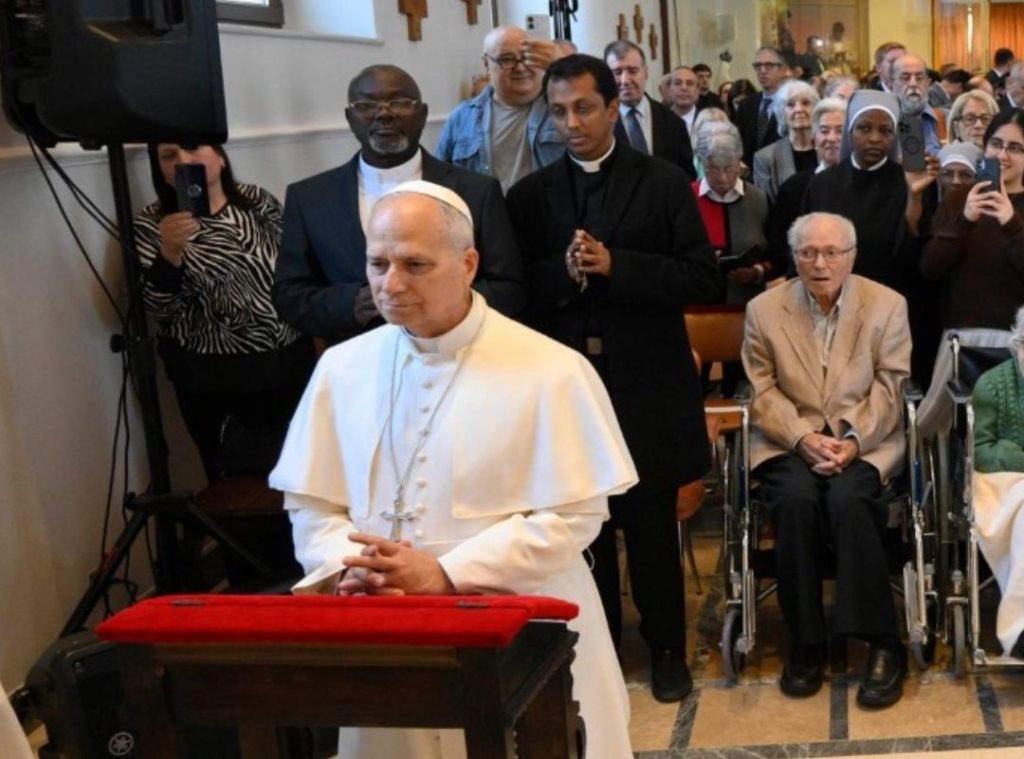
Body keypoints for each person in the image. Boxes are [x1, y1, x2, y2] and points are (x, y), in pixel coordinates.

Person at [270, 180, 637, 758]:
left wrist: (444, 575)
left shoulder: (550, 369)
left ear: (468, 264)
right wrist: (361, 568)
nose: (390, 284)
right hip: (386, 627)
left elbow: (573, 515)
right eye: (377, 263)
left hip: (519, 622)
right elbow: (311, 504)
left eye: (415, 264)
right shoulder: (341, 369)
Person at [506, 53, 720, 703]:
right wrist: (566, 273)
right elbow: (514, 292)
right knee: (582, 524)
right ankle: (593, 646)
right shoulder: (530, 195)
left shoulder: (662, 182)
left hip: (645, 379)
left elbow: (701, 279)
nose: (572, 123)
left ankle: (665, 648)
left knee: (651, 520)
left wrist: (615, 265)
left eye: (584, 108)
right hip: (568, 381)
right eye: (560, 110)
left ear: (611, 107)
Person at [743, 211, 912, 707]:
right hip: (785, 439)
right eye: (808, 253)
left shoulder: (887, 305)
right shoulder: (764, 309)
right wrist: (800, 437)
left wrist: (853, 441)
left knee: (849, 498)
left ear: (851, 257)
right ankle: (807, 641)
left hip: (865, 439)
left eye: (832, 252)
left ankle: (883, 641)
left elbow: (892, 385)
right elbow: (760, 388)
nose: (820, 262)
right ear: (794, 257)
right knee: (794, 500)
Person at [273, 65, 526, 344]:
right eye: (367, 104)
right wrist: (350, 303)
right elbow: (289, 297)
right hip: (359, 361)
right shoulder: (310, 198)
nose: (384, 114)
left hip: (458, 355)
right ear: (349, 117)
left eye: (400, 103)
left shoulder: (476, 191)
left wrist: (438, 303)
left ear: (423, 114)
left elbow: (509, 288)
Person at [134, 143, 315, 481]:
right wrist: (170, 252)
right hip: (216, 377)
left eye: (192, 148)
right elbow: (160, 309)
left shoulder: (257, 201)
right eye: (169, 156)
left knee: (301, 468)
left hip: (290, 362)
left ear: (220, 155)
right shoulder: (153, 224)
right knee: (236, 477)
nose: (183, 161)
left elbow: (296, 267)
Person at [921, 108, 1024, 330]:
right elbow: (931, 268)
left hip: (1017, 341)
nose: (1002, 155)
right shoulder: (959, 198)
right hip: (962, 338)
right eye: (996, 144)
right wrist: (965, 220)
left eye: (1015, 148)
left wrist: (1012, 224)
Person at [436, 26, 563, 193]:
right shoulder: (462, 118)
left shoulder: (562, 109)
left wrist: (564, 64)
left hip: (548, 216)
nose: (520, 67)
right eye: (507, 59)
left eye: (526, 57)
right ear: (486, 64)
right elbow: (439, 181)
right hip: (485, 217)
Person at [971, 305, 1024, 659]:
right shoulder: (992, 385)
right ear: (1018, 345)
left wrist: (1011, 448)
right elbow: (981, 452)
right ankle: (1020, 629)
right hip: (1001, 485)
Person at [693, 122, 773, 302]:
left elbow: (775, 253)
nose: (722, 178)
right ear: (702, 163)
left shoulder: (759, 199)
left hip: (747, 303)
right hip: (699, 305)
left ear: (740, 162)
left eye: (729, 169)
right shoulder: (688, 198)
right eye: (713, 169)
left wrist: (757, 272)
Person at [765, 96, 847, 272]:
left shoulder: (865, 185)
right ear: (815, 139)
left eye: (840, 131)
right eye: (824, 131)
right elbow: (778, 246)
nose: (832, 138)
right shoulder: (793, 187)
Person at [605, 40, 696, 180]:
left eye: (632, 71)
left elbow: (686, 177)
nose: (625, 80)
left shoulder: (673, 123)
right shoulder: (600, 125)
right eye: (617, 72)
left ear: (646, 72)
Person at [753, 78, 820, 201]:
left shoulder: (828, 150)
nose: (799, 109)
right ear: (781, 112)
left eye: (805, 103)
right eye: (791, 104)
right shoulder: (765, 158)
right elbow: (766, 207)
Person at [735, 47, 790, 167]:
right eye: (758, 66)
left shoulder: (792, 103)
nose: (763, 71)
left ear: (782, 70)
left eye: (768, 65)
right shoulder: (746, 105)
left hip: (781, 172)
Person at [892, 54, 943, 153]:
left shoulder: (945, 119)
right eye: (905, 78)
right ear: (893, 84)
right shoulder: (885, 122)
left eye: (919, 78)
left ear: (928, 84)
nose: (913, 84)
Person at [669, 64, 700, 135]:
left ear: (697, 90)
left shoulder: (708, 123)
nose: (684, 88)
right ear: (670, 89)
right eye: (677, 83)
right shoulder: (658, 121)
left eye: (689, 84)